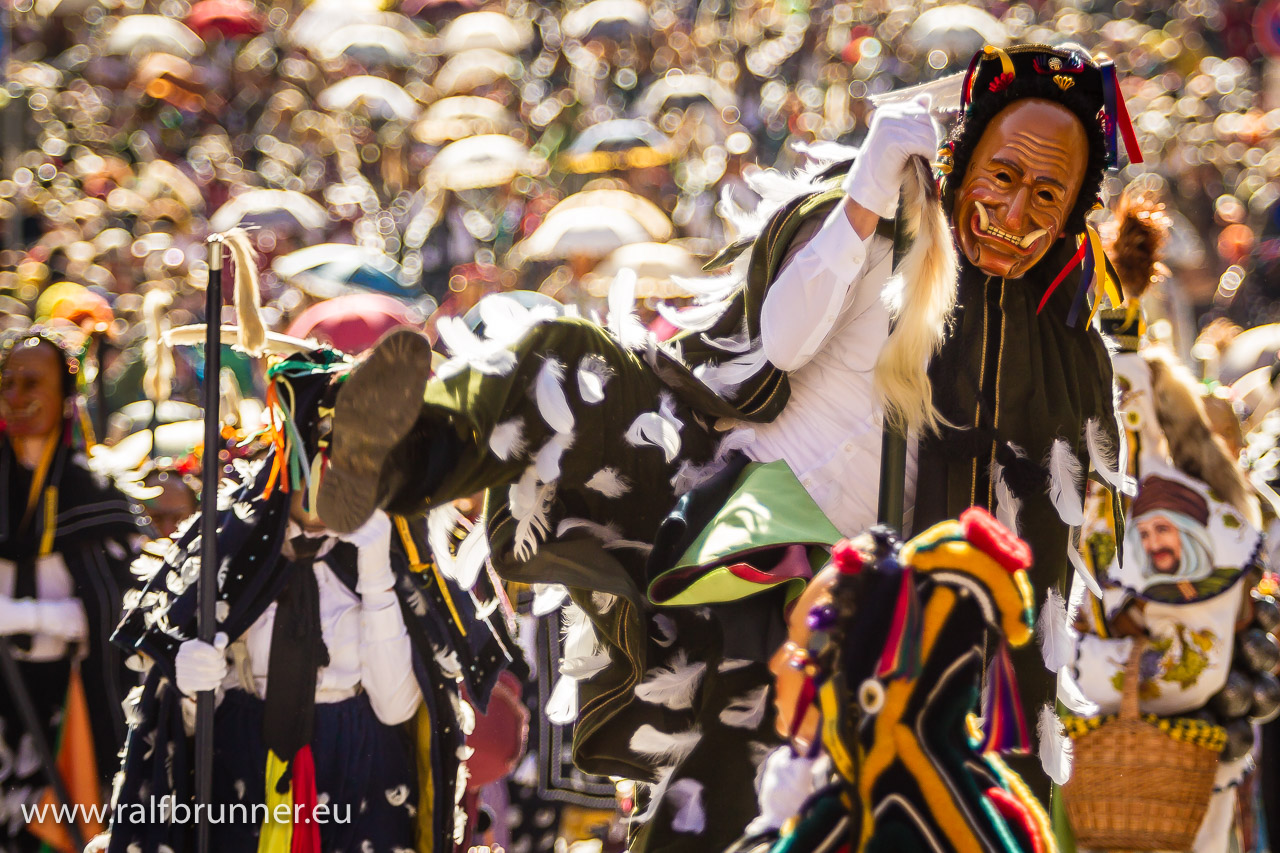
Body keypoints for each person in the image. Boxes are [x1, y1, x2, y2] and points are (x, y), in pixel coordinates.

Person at [315, 42, 1141, 838]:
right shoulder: (878, 217)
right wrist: (866, 194)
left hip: (915, 637)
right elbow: (776, 344)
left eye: (1048, 194)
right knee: (556, 363)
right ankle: (387, 451)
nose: (1017, 213)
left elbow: (1054, 527)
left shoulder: (1060, 338)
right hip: (761, 574)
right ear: (962, 158)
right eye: (1003, 176)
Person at [105, 345, 523, 853]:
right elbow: (177, 723)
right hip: (242, 777)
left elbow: (396, 709)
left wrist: (375, 576)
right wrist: (190, 686)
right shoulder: (231, 547)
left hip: (360, 781)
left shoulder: (400, 560)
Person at [731, 507, 1053, 853]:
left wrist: (774, 832)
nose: (777, 664)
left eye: (801, 647)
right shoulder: (982, 790)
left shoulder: (882, 820)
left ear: (866, 686)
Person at [0, 327, 148, 853]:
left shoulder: (94, 494)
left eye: (31, 383)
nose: (16, 397)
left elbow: (118, 614)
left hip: (70, 703)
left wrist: (20, 617)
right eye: (7, 382)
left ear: (65, 397)